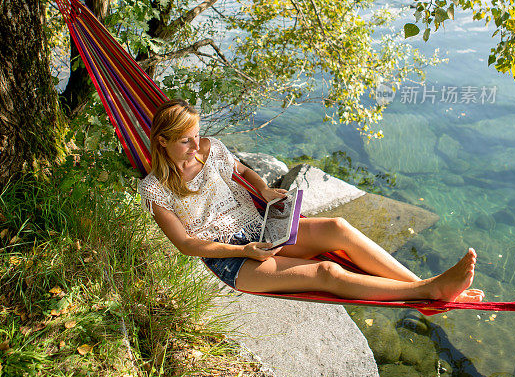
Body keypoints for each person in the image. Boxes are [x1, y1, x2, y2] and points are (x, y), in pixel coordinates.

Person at [139, 99, 484, 304]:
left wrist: (264, 191)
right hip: (232, 260)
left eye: (197, 134)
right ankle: (430, 291)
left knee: (338, 227)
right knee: (326, 271)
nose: (196, 144)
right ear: (163, 141)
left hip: (260, 228)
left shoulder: (210, 150)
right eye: (186, 140)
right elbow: (185, 244)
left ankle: (427, 287)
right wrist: (243, 251)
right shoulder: (155, 190)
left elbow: (242, 169)